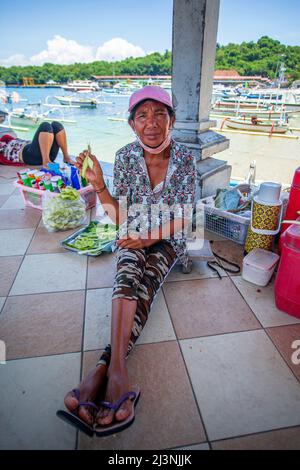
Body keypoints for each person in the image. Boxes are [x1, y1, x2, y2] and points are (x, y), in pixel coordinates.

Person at [58, 86, 197, 437]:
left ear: (172, 121)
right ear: (132, 125)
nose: (151, 123)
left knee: (147, 283)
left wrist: (149, 238)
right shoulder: (123, 158)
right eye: (142, 116)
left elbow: (185, 217)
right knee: (127, 276)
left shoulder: (184, 160)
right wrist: (100, 185)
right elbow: (119, 218)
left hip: (167, 237)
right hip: (132, 231)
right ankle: (118, 373)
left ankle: (103, 370)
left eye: (159, 114)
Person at [0, 121, 73, 166]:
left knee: (56, 125)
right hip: (30, 156)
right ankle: (46, 162)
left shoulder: (5, 138)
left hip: (45, 152)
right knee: (45, 126)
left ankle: (66, 157)